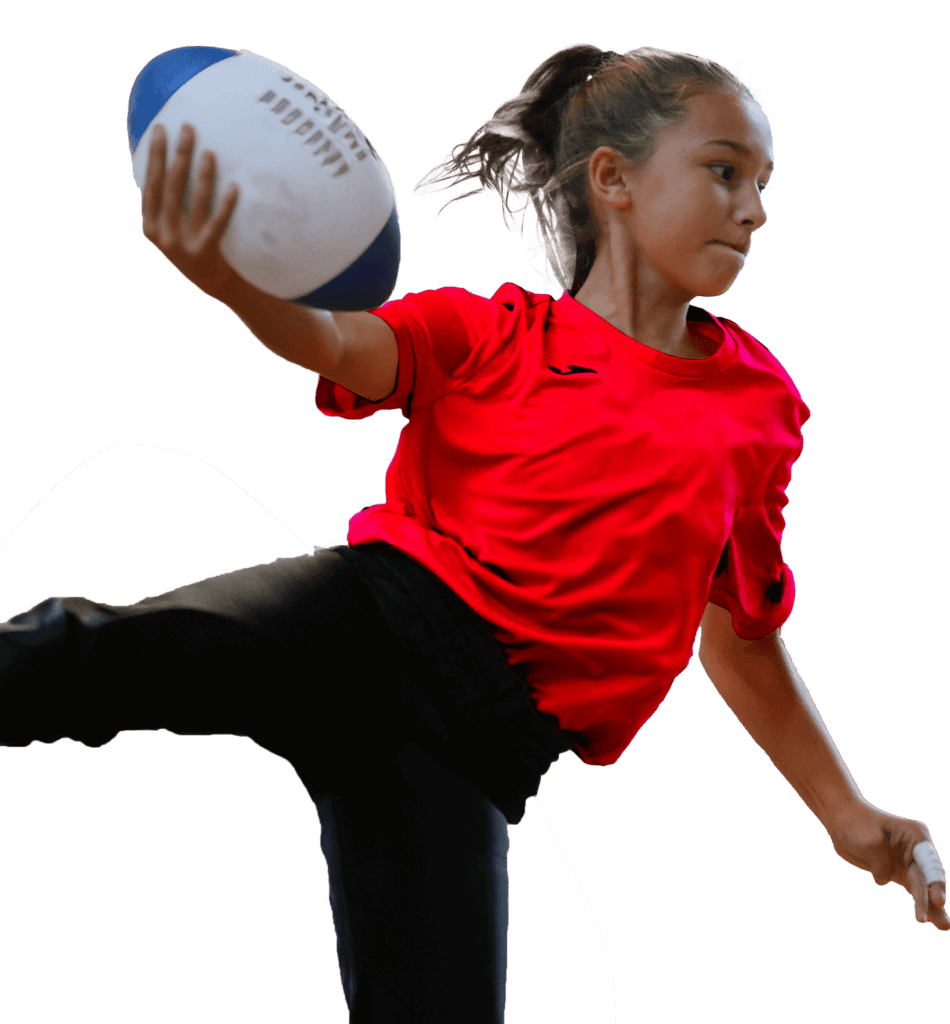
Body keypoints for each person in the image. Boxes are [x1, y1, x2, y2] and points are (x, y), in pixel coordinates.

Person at [2, 37, 946, 1024]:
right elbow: (333, 342)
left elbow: (740, 628)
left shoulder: (757, 407)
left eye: (761, 182)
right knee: (92, 655)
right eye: (723, 172)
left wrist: (846, 811)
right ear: (613, 179)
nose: (753, 209)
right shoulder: (490, 332)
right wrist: (238, 284)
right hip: (357, 622)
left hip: (472, 751)